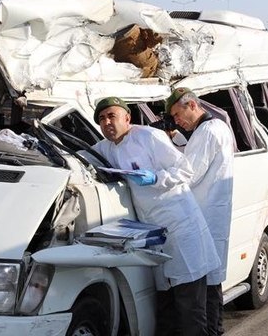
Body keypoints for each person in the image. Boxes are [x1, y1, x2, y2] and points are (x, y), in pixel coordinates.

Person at [92, 96, 221, 336]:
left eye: (112, 116)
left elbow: (185, 170)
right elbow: (79, 156)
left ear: (127, 118)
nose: (107, 122)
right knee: (166, 310)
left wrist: (155, 178)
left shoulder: (148, 137)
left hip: (181, 228)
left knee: (190, 310)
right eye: (101, 119)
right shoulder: (106, 147)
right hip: (154, 235)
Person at [166, 87, 235, 336]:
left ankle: (212, 331)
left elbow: (190, 174)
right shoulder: (217, 127)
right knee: (212, 282)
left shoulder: (206, 132)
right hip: (213, 214)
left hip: (204, 216)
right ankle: (215, 331)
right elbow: (196, 156)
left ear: (192, 105)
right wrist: (176, 139)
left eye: (177, 114)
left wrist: (157, 177)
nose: (177, 120)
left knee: (203, 287)